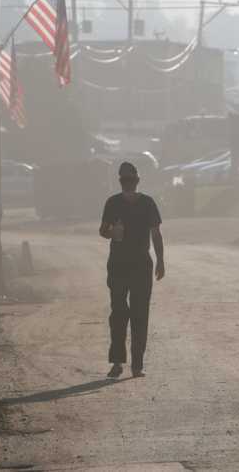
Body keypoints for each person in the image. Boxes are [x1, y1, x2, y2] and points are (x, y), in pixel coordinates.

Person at [99, 161, 164, 378]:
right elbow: (102, 230)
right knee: (119, 313)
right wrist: (112, 233)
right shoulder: (113, 203)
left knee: (138, 314)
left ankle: (136, 365)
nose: (128, 183)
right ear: (122, 182)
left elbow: (156, 234)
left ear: (136, 181)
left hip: (140, 266)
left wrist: (161, 260)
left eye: (130, 180)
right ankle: (118, 362)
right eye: (125, 180)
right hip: (119, 265)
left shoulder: (147, 203)